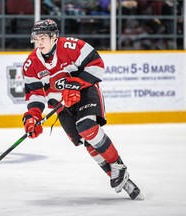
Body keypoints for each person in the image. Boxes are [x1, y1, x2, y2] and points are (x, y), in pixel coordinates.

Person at [22, 19, 143, 200]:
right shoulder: (31, 64)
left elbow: (96, 63)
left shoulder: (72, 46)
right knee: (87, 141)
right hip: (61, 105)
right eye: (36, 38)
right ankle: (118, 177)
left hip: (85, 92)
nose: (39, 43)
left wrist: (77, 84)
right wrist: (33, 116)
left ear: (54, 37)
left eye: (43, 38)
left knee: (87, 128)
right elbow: (35, 95)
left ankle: (118, 165)